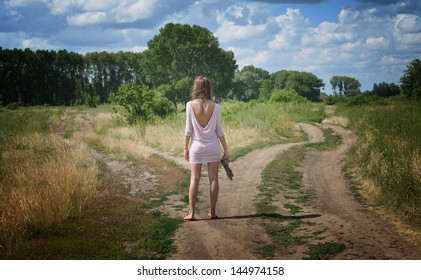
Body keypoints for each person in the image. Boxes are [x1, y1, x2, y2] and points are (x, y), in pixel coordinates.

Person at [184, 76, 229, 221]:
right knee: (214, 179)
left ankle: (191, 213)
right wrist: (226, 149)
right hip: (213, 147)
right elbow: (219, 131)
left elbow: (188, 130)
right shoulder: (215, 106)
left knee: (194, 179)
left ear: (196, 88)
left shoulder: (189, 105)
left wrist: (186, 148)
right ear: (209, 88)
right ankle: (213, 212)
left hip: (196, 147)